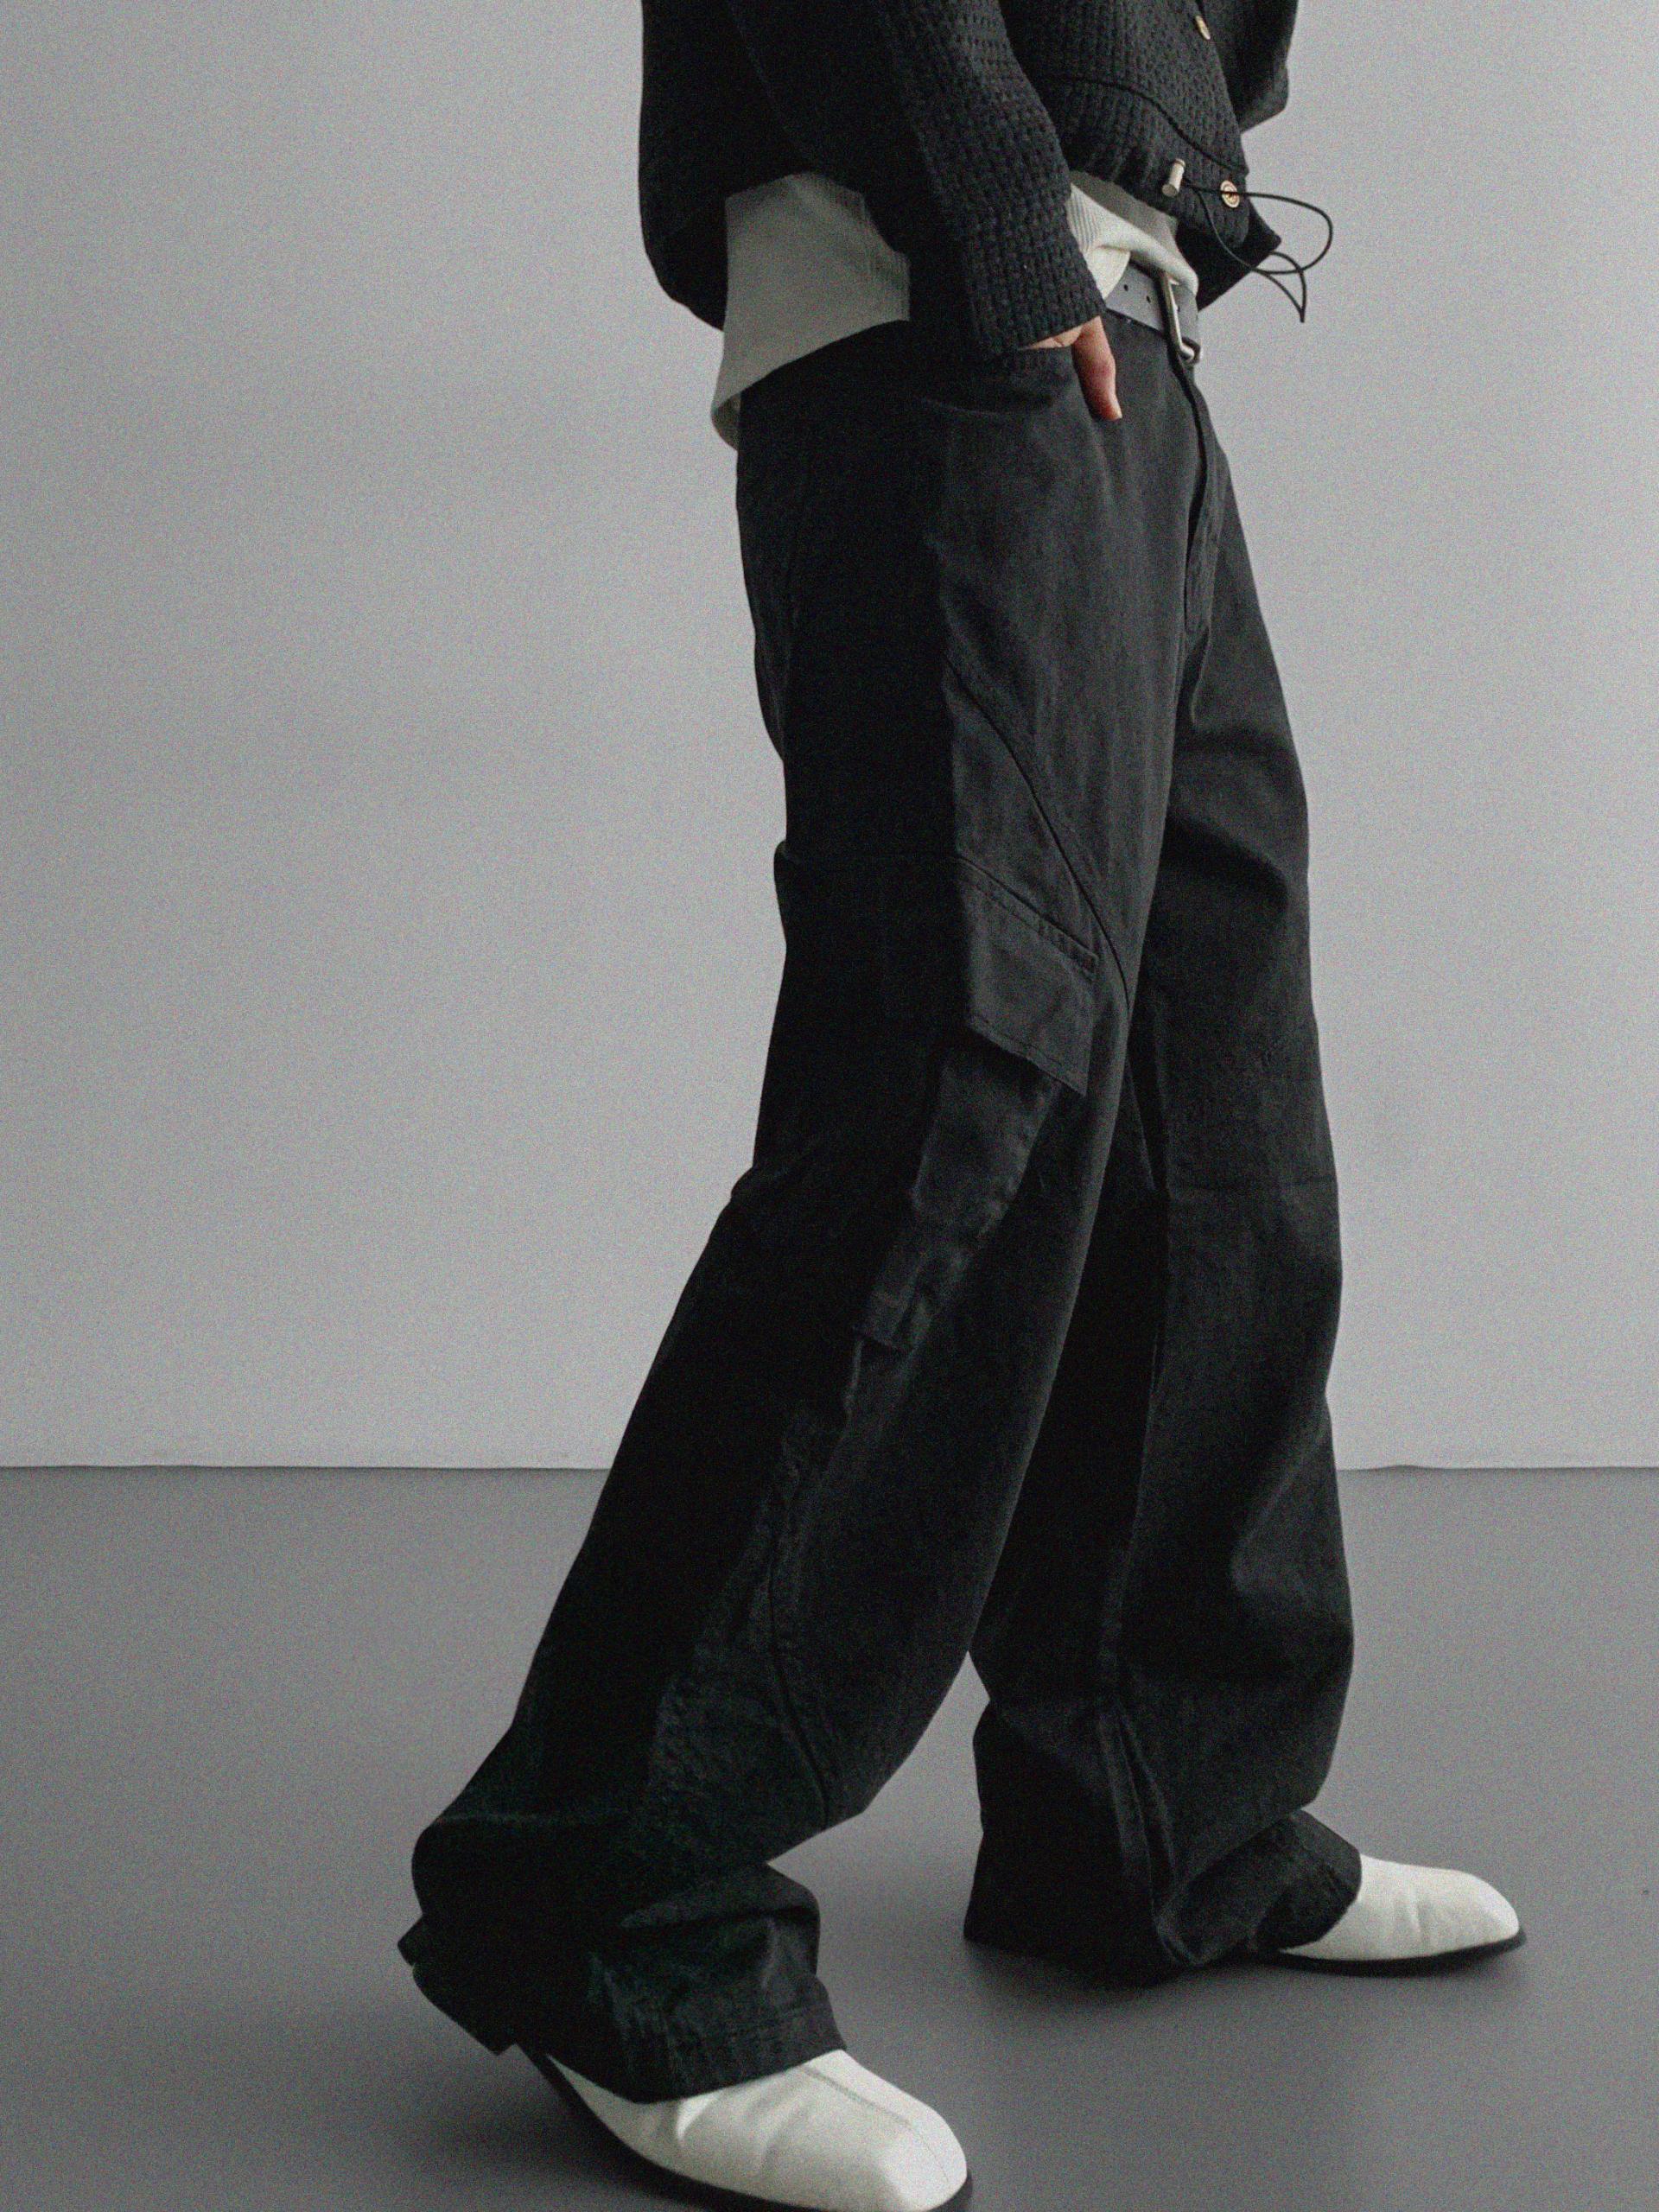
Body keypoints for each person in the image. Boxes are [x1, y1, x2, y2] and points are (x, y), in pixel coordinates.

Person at [397, 7, 1525, 2207]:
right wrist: (996, 208)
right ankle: (613, 1906)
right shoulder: (972, 246)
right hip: (946, 299)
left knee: (1214, 1098)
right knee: (958, 1088)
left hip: (1125, 332)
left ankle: (1163, 1807)